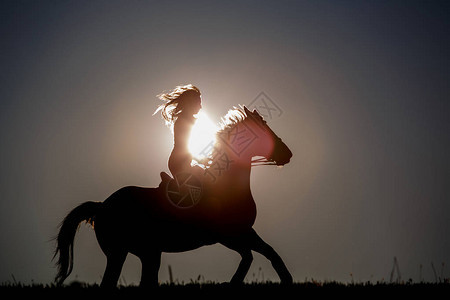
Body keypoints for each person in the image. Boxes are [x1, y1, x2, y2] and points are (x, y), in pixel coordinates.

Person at [154, 84, 202, 178]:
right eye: (198, 103)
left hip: (182, 161)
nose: (200, 107)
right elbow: (183, 146)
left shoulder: (186, 119)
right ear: (191, 103)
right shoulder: (184, 121)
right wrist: (200, 160)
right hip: (179, 162)